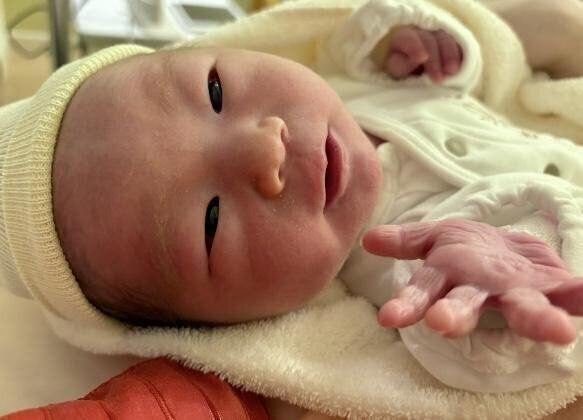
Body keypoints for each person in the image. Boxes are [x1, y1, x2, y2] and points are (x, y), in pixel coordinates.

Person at [2, 0, 583, 417]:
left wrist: (418, 46)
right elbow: (480, 347)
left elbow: (357, 52)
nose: (266, 148)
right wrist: (515, 261)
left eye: (214, 93)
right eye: (210, 222)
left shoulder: (347, 88)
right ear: (225, 327)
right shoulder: (401, 266)